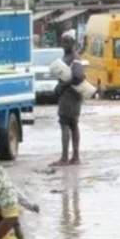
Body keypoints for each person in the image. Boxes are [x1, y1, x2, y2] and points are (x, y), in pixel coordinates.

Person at [52, 33, 85, 166]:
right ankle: (74, 157)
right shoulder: (67, 57)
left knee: (66, 123)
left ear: (73, 44)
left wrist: (63, 85)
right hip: (70, 96)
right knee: (73, 124)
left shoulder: (74, 59)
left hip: (70, 97)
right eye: (63, 42)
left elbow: (78, 77)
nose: (65, 45)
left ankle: (66, 158)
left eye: (68, 42)